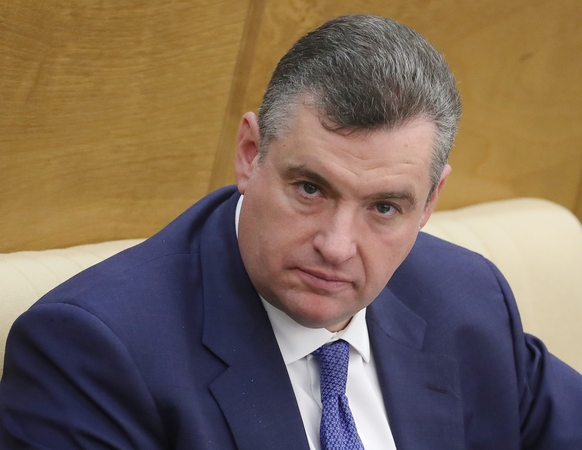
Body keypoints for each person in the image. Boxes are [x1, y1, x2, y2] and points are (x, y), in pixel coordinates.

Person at [1, 14, 581, 450]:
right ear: (250, 154)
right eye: (310, 189)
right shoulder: (89, 352)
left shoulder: (468, 298)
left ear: (430, 201)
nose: (336, 246)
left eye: (384, 207)